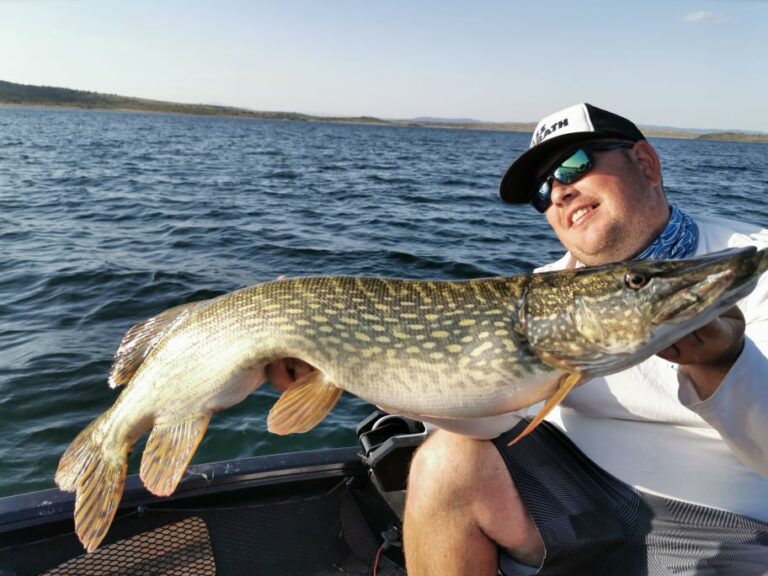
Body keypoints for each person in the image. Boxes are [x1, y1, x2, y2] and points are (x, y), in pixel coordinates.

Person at [401, 103, 768, 575]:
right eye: (542, 190)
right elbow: (491, 421)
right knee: (445, 459)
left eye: (575, 164)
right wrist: (346, 368)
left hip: (732, 529)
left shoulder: (747, 265)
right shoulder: (541, 292)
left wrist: (722, 365)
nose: (559, 191)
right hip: (577, 508)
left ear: (645, 164)